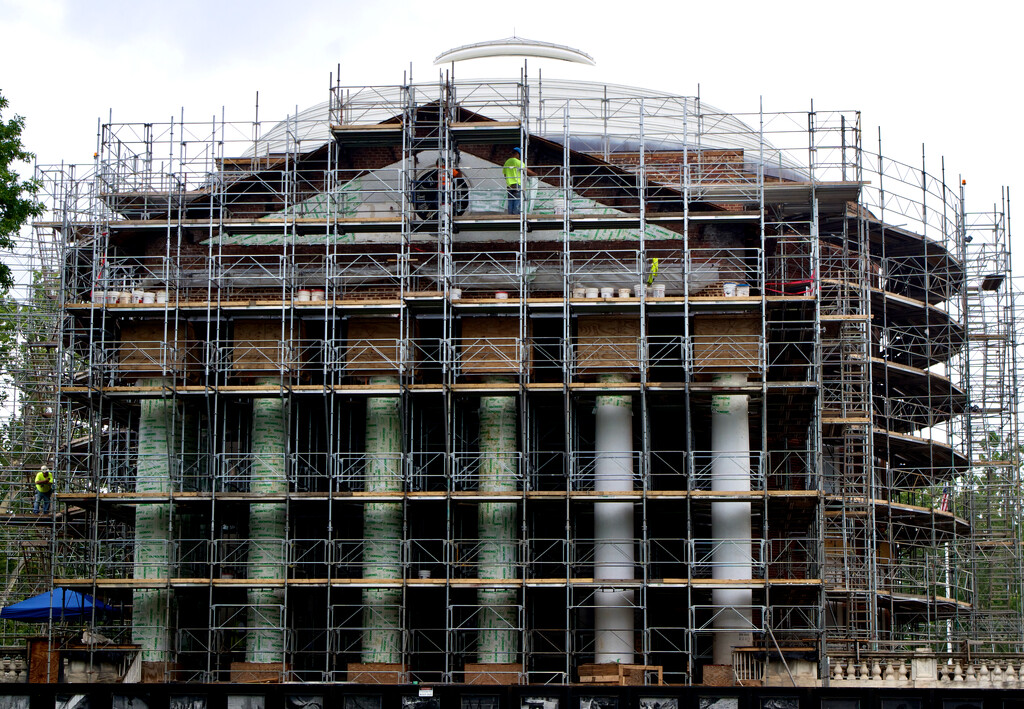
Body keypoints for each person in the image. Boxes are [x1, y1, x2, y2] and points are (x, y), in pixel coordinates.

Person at [503, 146, 524, 215]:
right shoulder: (517, 162)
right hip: (517, 184)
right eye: (519, 155)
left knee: (511, 201)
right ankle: (516, 215)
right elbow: (526, 170)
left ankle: (510, 215)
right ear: (517, 154)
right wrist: (534, 174)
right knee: (517, 200)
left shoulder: (507, 162)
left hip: (509, 185)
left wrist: (509, 180)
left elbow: (505, 175)